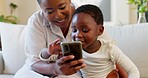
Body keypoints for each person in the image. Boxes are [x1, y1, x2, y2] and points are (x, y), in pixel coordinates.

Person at [14, 0, 127, 78]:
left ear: (70, 1)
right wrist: (56, 68)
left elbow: (110, 54)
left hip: (73, 72)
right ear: (41, 9)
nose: (58, 15)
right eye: (49, 11)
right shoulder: (36, 21)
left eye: (62, 7)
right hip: (39, 71)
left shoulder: (86, 16)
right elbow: (34, 62)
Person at [71, 4, 140, 78]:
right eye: (74, 30)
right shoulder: (75, 51)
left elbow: (133, 71)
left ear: (100, 30)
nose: (78, 35)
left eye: (85, 30)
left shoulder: (109, 48)